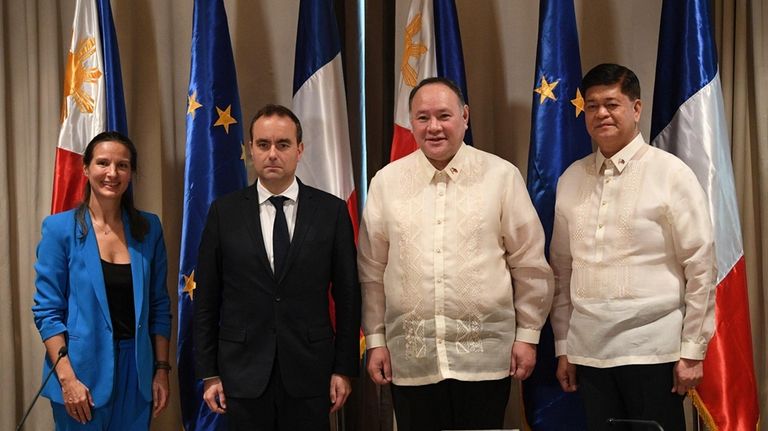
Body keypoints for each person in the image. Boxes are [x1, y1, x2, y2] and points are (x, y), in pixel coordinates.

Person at [358, 77, 554, 431]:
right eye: (422, 117)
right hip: (411, 357)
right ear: (411, 122)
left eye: (444, 116)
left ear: (465, 117)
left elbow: (529, 264)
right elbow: (372, 271)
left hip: (484, 356)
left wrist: (528, 335)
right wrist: (375, 340)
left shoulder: (501, 177)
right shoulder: (386, 182)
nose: (433, 127)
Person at [550, 63, 716, 430]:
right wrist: (564, 346)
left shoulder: (671, 174)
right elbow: (561, 272)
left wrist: (692, 351)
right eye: (592, 106)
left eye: (612, 103)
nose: (601, 114)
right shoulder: (571, 179)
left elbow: (701, 267)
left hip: (654, 352)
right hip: (589, 354)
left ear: (636, 108)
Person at [194, 104, 361, 430]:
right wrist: (209, 372)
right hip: (241, 373)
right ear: (250, 150)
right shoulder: (223, 213)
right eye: (263, 144)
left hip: (311, 372)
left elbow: (348, 295)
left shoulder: (331, 212)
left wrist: (344, 368)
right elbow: (206, 299)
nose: (272, 154)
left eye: (283, 144)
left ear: (299, 150)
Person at [32, 131, 172, 430]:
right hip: (80, 376)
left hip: (137, 375)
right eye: (103, 163)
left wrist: (161, 369)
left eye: (122, 165)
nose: (112, 173)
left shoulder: (149, 228)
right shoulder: (59, 230)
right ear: (86, 168)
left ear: (132, 172)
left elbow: (159, 306)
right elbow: (47, 312)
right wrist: (68, 380)